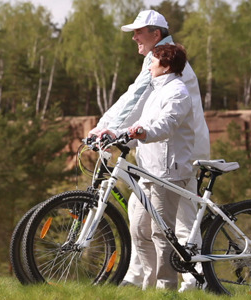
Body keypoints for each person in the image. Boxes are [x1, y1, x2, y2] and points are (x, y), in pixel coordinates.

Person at [87, 10, 209, 292]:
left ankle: (194, 281)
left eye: (139, 31)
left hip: (180, 156)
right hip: (155, 157)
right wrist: (112, 132)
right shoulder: (156, 63)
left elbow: (137, 103)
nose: (134, 37)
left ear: (156, 34)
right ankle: (141, 277)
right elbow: (137, 102)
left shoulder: (169, 69)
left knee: (181, 222)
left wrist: (106, 127)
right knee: (140, 219)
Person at [126, 43, 195, 290]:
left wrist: (143, 132)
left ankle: (166, 289)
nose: (149, 66)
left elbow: (166, 125)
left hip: (169, 172)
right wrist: (113, 134)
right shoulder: (156, 92)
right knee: (139, 230)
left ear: (165, 65)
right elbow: (140, 127)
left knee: (161, 233)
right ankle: (149, 284)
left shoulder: (178, 92)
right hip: (149, 171)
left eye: (152, 62)